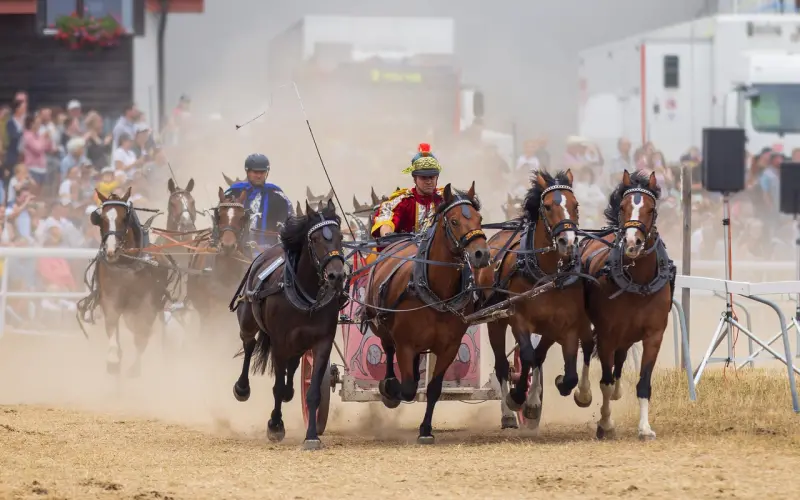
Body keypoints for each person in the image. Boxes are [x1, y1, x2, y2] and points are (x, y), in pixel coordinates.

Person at [370, 143, 445, 241]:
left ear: (437, 177)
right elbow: (386, 218)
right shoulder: (403, 201)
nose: (428, 181)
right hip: (407, 253)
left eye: (432, 177)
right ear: (414, 179)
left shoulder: (446, 199)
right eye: (423, 177)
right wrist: (387, 235)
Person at [224, 153, 293, 248]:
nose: (259, 176)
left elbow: (290, 222)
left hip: (269, 252)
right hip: (236, 250)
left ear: (267, 173)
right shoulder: (233, 193)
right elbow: (221, 220)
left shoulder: (279, 197)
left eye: (262, 172)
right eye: (255, 172)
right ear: (247, 172)